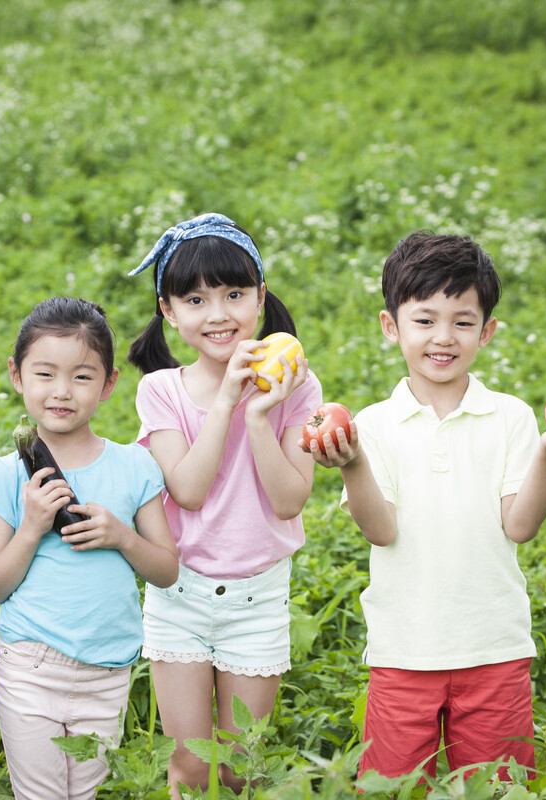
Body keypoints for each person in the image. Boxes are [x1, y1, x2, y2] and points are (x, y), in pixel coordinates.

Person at [303, 230, 546, 779]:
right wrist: (352, 461)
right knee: (392, 786)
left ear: (487, 332)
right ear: (391, 326)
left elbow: (521, 524)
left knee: (498, 786)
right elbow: (380, 530)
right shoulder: (373, 425)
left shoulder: (511, 416)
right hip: (403, 650)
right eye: (424, 319)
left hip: (494, 646)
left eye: (463, 321)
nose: (444, 337)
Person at [126, 213, 321, 795]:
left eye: (235, 294)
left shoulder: (295, 386)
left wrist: (259, 412)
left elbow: (289, 501)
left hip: (257, 597)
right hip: (179, 595)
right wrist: (228, 398)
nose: (218, 314)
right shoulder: (160, 390)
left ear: (260, 297)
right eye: (195, 299)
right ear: (169, 310)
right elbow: (186, 488)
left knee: (239, 768)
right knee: (187, 763)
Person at [0, 297, 179, 800]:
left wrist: (121, 536)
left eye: (82, 377)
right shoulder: (6, 474)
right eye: (45, 374)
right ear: (17, 375)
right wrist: (31, 527)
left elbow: (166, 570)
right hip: (31, 666)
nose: (62, 392)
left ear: (110, 383)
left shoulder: (134, 467)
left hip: (107, 671)